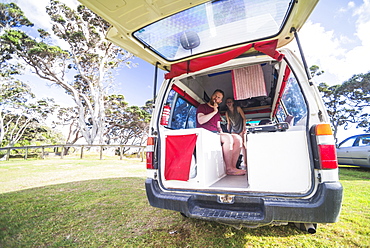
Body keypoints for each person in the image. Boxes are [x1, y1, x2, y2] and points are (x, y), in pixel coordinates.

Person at [196, 89, 245, 176]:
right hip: (205, 134)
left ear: (220, 101)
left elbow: (218, 127)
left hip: (215, 134)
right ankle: (229, 168)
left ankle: (233, 167)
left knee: (237, 139)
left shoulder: (218, 113)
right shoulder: (202, 107)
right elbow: (201, 120)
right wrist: (214, 111)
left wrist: (222, 133)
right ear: (212, 96)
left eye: (218, 97)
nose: (216, 98)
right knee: (228, 138)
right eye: (215, 95)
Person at [225, 97, 247, 169]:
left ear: (233, 102)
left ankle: (245, 162)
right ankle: (234, 163)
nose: (229, 103)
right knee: (234, 146)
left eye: (230, 102)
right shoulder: (227, 113)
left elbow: (244, 118)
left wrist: (244, 128)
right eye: (228, 102)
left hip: (241, 128)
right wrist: (227, 132)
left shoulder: (238, 108)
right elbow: (229, 123)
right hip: (234, 130)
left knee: (243, 145)